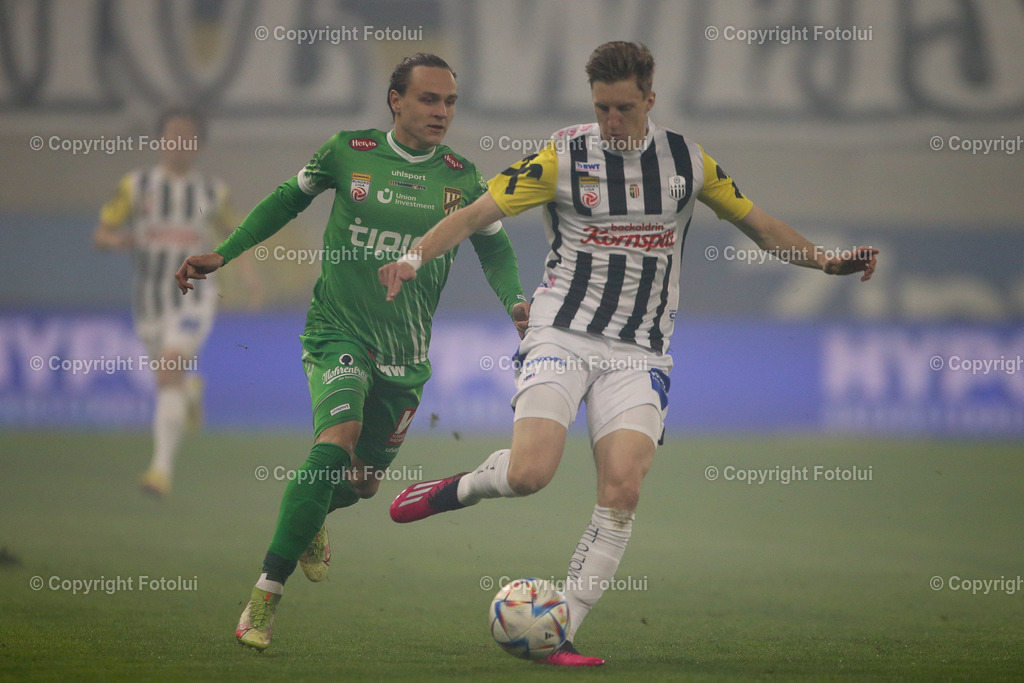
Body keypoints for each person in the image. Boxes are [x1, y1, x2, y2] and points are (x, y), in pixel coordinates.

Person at [380, 41, 878, 667]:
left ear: (649, 99)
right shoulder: (562, 157)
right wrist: (412, 256)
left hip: (641, 351)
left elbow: (758, 224)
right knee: (531, 474)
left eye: (622, 108)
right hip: (561, 332)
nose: (611, 122)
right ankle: (460, 488)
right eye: (601, 109)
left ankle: (559, 630)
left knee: (623, 488)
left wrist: (827, 262)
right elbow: (476, 213)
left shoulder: (687, 163)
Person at [174, 53, 528, 651]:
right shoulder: (348, 151)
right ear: (396, 100)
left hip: (407, 354)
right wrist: (225, 253)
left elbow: (493, 247)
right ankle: (265, 595)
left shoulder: (463, 178)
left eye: (449, 102)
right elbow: (288, 199)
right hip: (337, 331)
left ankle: (311, 517)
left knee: (362, 482)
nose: (441, 111)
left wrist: (517, 304)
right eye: (428, 99)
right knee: (336, 438)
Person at [95, 104, 261, 498]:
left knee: (169, 367)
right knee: (169, 379)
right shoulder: (136, 186)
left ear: (198, 145)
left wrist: (250, 278)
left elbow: (238, 235)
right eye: (172, 134)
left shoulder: (212, 193)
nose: (178, 143)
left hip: (194, 296)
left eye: (187, 136)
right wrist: (123, 240)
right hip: (149, 302)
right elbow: (102, 233)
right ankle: (189, 394)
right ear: (160, 140)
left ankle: (160, 471)